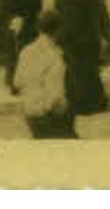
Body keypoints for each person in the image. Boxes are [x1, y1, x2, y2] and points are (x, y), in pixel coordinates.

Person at [52, 0, 109, 118]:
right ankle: (84, 104)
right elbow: (72, 22)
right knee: (80, 76)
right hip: (78, 45)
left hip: (85, 45)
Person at [13, 11, 76, 139]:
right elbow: (56, 97)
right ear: (58, 31)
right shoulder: (55, 56)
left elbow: (17, 82)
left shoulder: (26, 51)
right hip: (49, 118)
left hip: (30, 115)